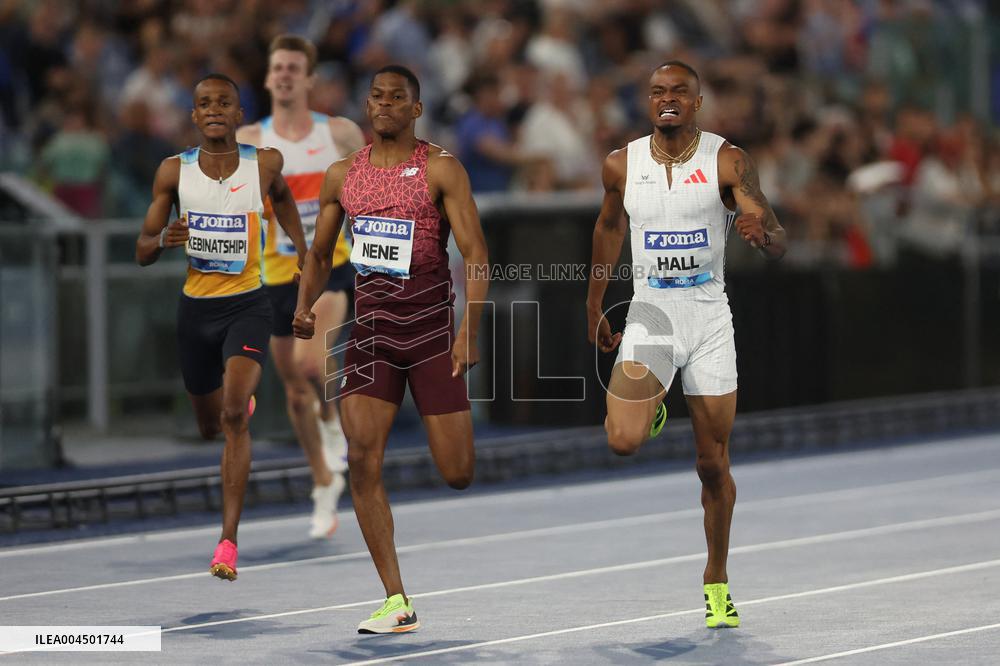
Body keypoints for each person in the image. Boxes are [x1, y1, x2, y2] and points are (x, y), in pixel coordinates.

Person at [586, 61, 786, 629]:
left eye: (679, 92)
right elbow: (607, 228)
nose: (667, 99)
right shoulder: (621, 164)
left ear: (697, 103)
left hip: (707, 320)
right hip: (651, 313)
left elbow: (774, 235)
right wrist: (593, 303)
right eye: (657, 92)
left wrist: (760, 234)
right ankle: (651, 407)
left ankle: (716, 578)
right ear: (647, 102)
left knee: (711, 464)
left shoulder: (727, 159)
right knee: (622, 440)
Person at [293, 65, 489, 634]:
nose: (383, 105)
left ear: (415, 108)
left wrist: (470, 329)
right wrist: (304, 306)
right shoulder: (341, 176)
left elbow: (476, 255)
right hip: (372, 336)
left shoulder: (441, 169)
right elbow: (319, 252)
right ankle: (395, 598)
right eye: (375, 96)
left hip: (431, 335)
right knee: (362, 462)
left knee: (457, 472)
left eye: (395, 98)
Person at [136, 73, 306, 581]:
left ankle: (228, 542)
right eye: (204, 103)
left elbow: (285, 198)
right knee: (210, 425)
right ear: (193, 115)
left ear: (239, 115)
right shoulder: (172, 173)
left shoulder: (265, 163)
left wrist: (302, 248)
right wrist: (164, 238)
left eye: (224, 102)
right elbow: (141, 250)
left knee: (233, 417)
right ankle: (235, 403)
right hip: (196, 315)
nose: (213, 109)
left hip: (248, 306)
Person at [237, 35, 365, 539]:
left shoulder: (339, 133)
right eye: (278, 68)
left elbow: (372, 186)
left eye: (295, 67)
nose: (286, 75)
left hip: (328, 266)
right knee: (292, 384)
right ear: (268, 78)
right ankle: (322, 482)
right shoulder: (250, 136)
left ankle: (334, 425)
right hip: (273, 273)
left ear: (309, 79)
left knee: (312, 363)